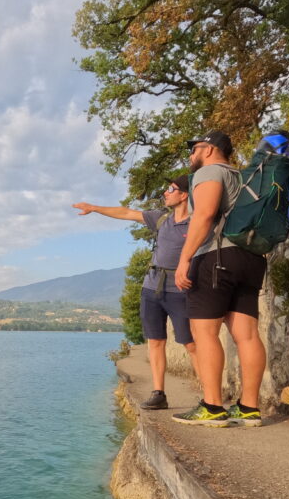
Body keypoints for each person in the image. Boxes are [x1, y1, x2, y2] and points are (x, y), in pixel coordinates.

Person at [73, 175, 199, 409]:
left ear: (184, 194)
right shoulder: (161, 218)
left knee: (190, 343)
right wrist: (94, 208)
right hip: (151, 288)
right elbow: (126, 213)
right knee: (155, 342)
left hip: (179, 290)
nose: (166, 193)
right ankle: (159, 393)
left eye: (171, 189)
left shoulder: (197, 223)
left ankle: (209, 397)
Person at [173, 130, 266, 427]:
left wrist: (185, 257)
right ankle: (249, 408)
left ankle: (212, 407)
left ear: (209, 149)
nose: (190, 155)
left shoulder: (209, 172)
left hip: (216, 258)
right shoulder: (243, 178)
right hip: (250, 258)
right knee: (248, 335)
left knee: (205, 332)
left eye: (193, 148)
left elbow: (205, 215)